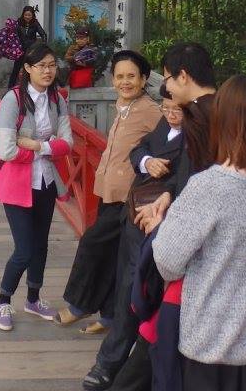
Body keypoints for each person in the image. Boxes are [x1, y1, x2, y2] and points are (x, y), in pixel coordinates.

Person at [83, 41, 217, 391]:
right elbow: (149, 155)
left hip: (173, 232)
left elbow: (201, 181)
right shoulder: (189, 115)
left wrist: (171, 201)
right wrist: (157, 176)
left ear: (182, 77)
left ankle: (113, 367)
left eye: (167, 78)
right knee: (133, 289)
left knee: (144, 295)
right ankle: (113, 364)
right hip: (146, 215)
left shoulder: (204, 120)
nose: (167, 88)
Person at [152, 74, 246, 389]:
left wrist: (162, 224)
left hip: (213, 346)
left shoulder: (210, 186)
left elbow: (167, 262)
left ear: (222, 120)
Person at [57, 50, 160, 333]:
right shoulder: (123, 105)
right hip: (107, 190)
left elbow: (168, 142)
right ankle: (110, 315)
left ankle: (79, 305)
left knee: (92, 243)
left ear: (144, 79)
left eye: (131, 76)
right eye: (120, 76)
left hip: (127, 197)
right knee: (114, 254)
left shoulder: (150, 110)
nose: (125, 82)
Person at [0, 43, 74, 332]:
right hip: (17, 185)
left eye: (52, 65)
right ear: (27, 68)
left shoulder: (57, 99)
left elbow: (68, 143)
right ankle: (3, 300)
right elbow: (6, 150)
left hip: (46, 182)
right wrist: (48, 146)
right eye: (41, 66)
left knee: (41, 245)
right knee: (25, 249)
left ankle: (33, 298)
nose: (48, 71)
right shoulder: (13, 100)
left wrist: (37, 145)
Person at [6, 6, 47, 89]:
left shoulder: (35, 23)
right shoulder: (18, 23)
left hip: (31, 51)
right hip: (20, 50)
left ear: (32, 15)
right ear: (23, 15)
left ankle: (31, 88)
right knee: (16, 69)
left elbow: (43, 34)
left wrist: (43, 46)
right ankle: (10, 88)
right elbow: (12, 34)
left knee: (31, 70)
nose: (27, 17)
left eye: (29, 15)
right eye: (26, 15)